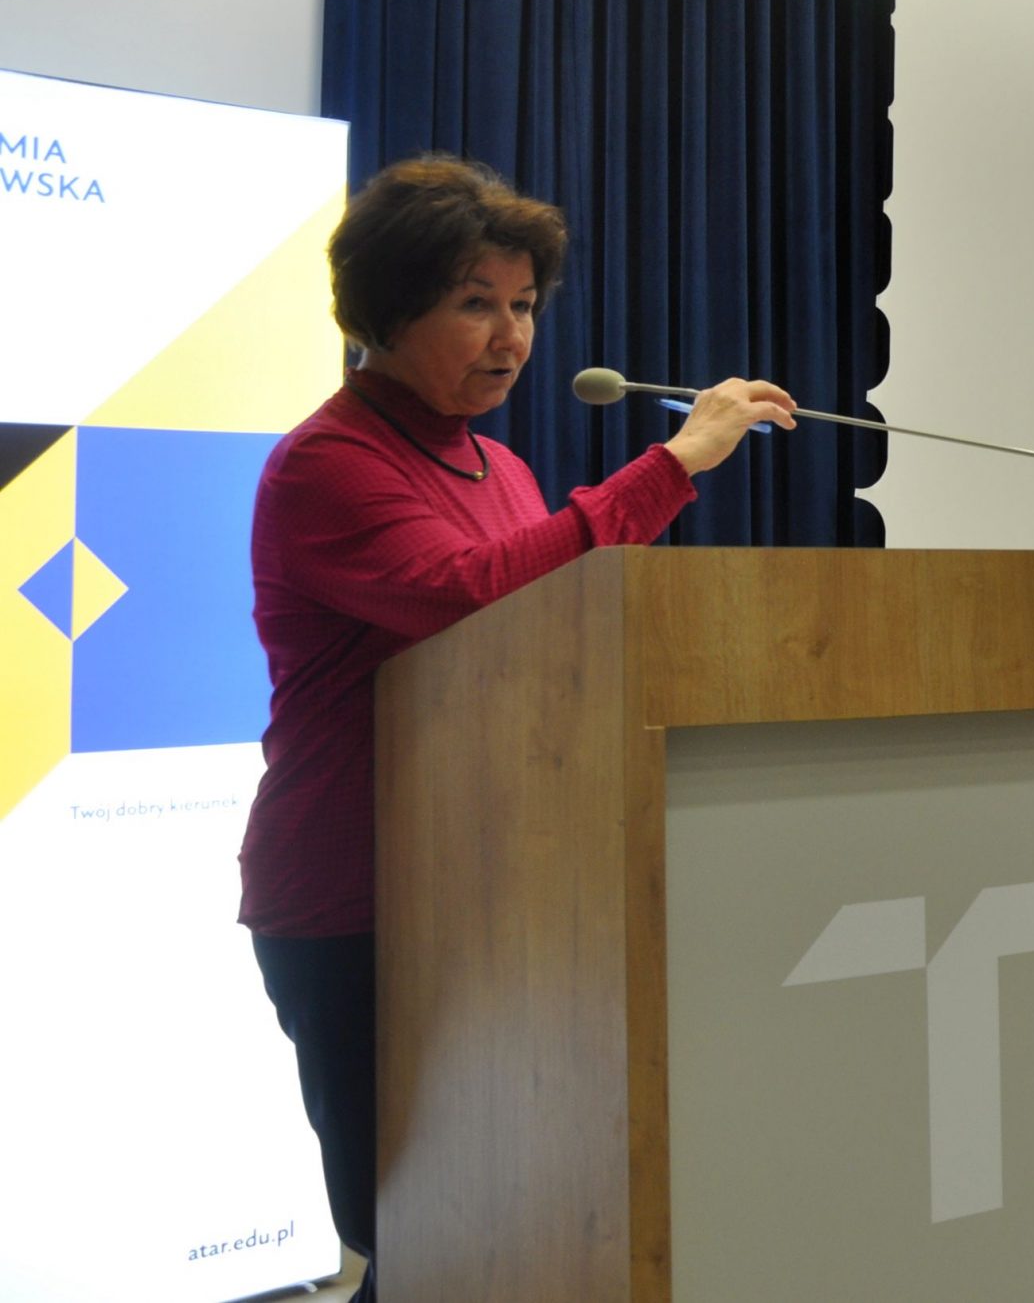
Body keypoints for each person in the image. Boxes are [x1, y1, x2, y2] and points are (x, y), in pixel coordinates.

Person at [237, 157, 796, 1301]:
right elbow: (471, 593)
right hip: (355, 894)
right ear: (386, 311)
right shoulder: (326, 462)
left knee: (502, 1215)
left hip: (491, 882)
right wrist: (673, 465)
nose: (511, 336)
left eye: (526, 304)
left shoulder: (499, 464)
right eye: (474, 302)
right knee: (417, 1225)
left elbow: (539, 649)